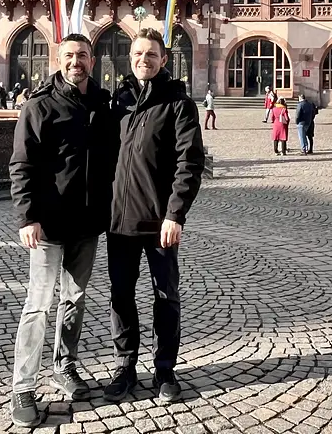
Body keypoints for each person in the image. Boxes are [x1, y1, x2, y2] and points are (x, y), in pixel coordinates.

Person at [8, 34, 117, 428]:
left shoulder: (103, 105)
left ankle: (64, 366)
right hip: (49, 224)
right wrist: (27, 217)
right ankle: (22, 386)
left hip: (86, 224)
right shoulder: (39, 105)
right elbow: (21, 165)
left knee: (75, 298)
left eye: (82, 56)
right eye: (69, 56)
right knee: (38, 305)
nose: (76, 62)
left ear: (92, 59)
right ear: (59, 59)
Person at [104, 28, 205, 405]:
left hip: (160, 220)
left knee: (166, 296)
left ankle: (165, 369)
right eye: (137, 54)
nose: (143, 60)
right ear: (129, 59)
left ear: (164, 59)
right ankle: (125, 365)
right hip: (121, 220)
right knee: (121, 295)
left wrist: (175, 214)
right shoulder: (120, 101)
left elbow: (189, 162)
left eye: (151, 54)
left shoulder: (178, 103)